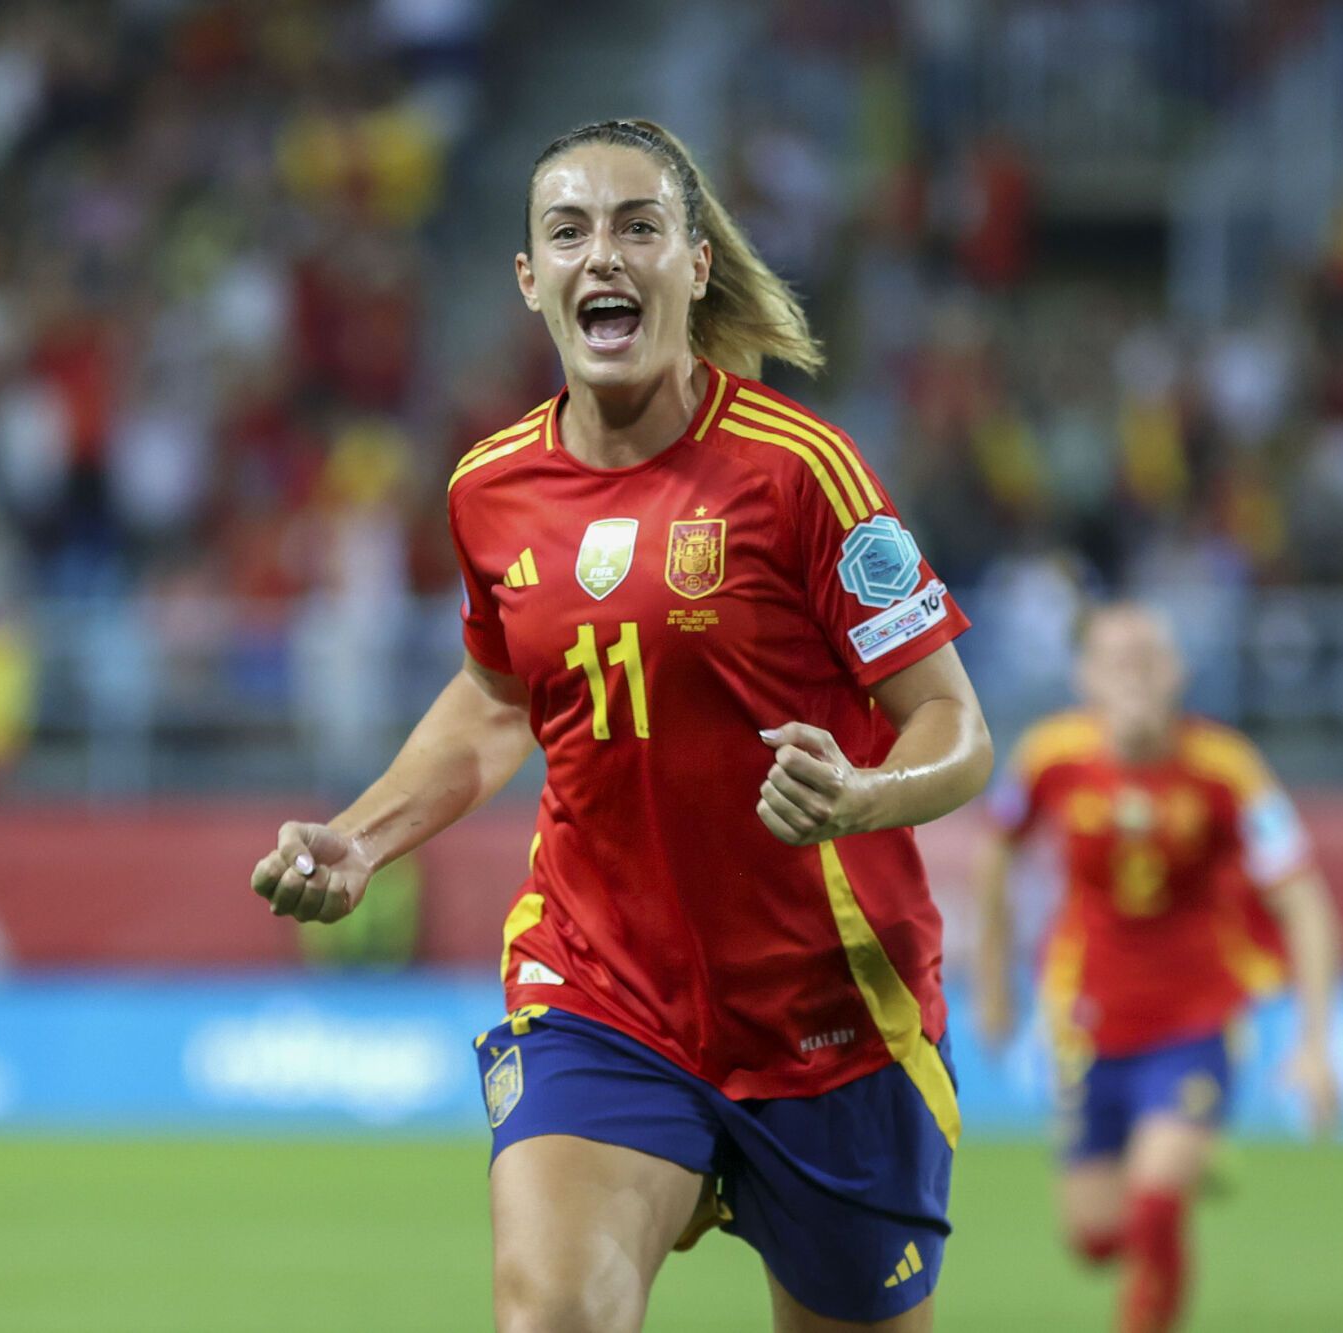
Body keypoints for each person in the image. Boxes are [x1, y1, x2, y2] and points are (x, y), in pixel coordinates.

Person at [248, 119, 993, 1332]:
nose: (605, 253)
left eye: (639, 226)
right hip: (602, 986)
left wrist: (859, 798)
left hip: (827, 1014)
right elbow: (498, 698)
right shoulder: (488, 490)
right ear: (530, 280)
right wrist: (363, 835)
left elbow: (956, 727)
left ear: (692, 267)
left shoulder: (801, 471)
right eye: (569, 230)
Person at [971, 604, 1343, 1333]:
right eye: (1117, 658)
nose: (1134, 672)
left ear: (1178, 672)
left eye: (1149, 657)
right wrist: (992, 982)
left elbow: (1306, 902)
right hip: (1086, 1017)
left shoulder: (1226, 766)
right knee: (1096, 1236)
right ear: (1085, 676)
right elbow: (994, 854)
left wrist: (1315, 1043)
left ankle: (1178, 1157)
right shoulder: (1050, 755)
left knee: (1155, 1205)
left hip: (1195, 1016)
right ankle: (1180, 1156)